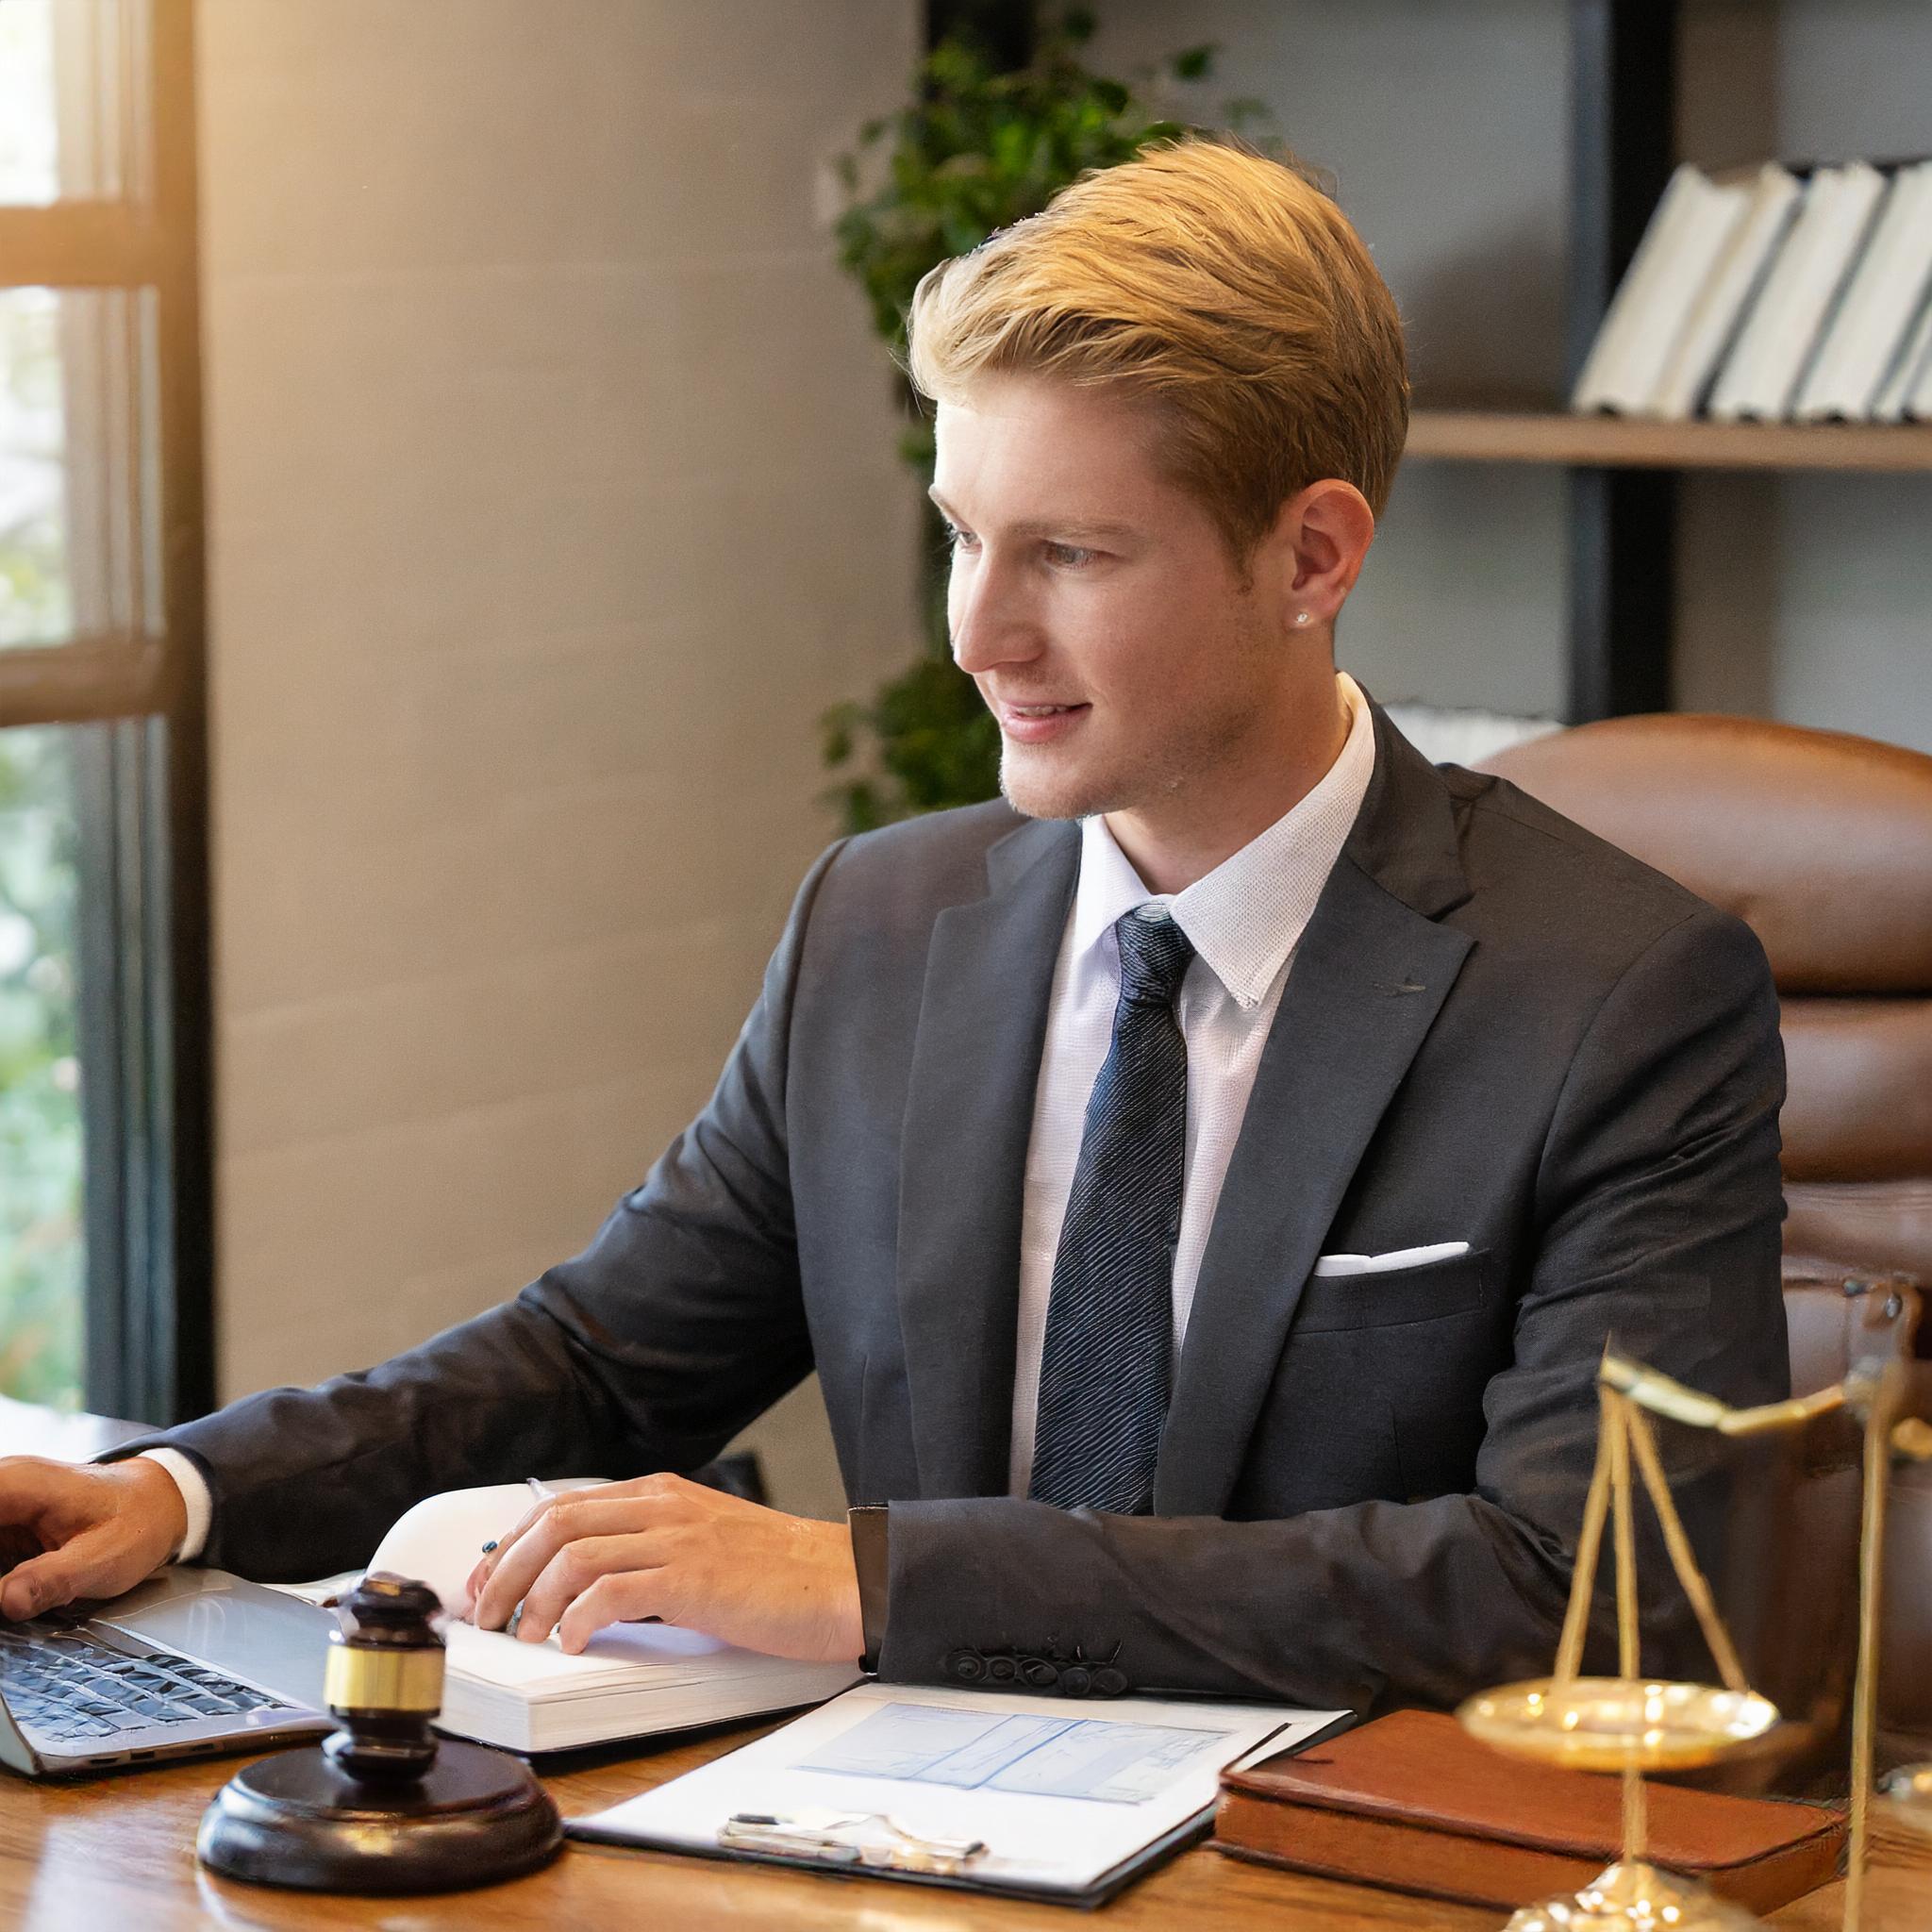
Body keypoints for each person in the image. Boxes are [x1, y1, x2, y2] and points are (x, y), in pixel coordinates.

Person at [0, 138, 1787, 1716]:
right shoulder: (885, 918)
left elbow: (1596, 1591)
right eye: (961, 536)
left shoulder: (1618, 996)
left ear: (1313, 557)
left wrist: (873, 1576)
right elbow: (601, 1360)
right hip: (888, 1831)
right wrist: (181, 1496)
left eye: (1071, 556)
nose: (977, 635)